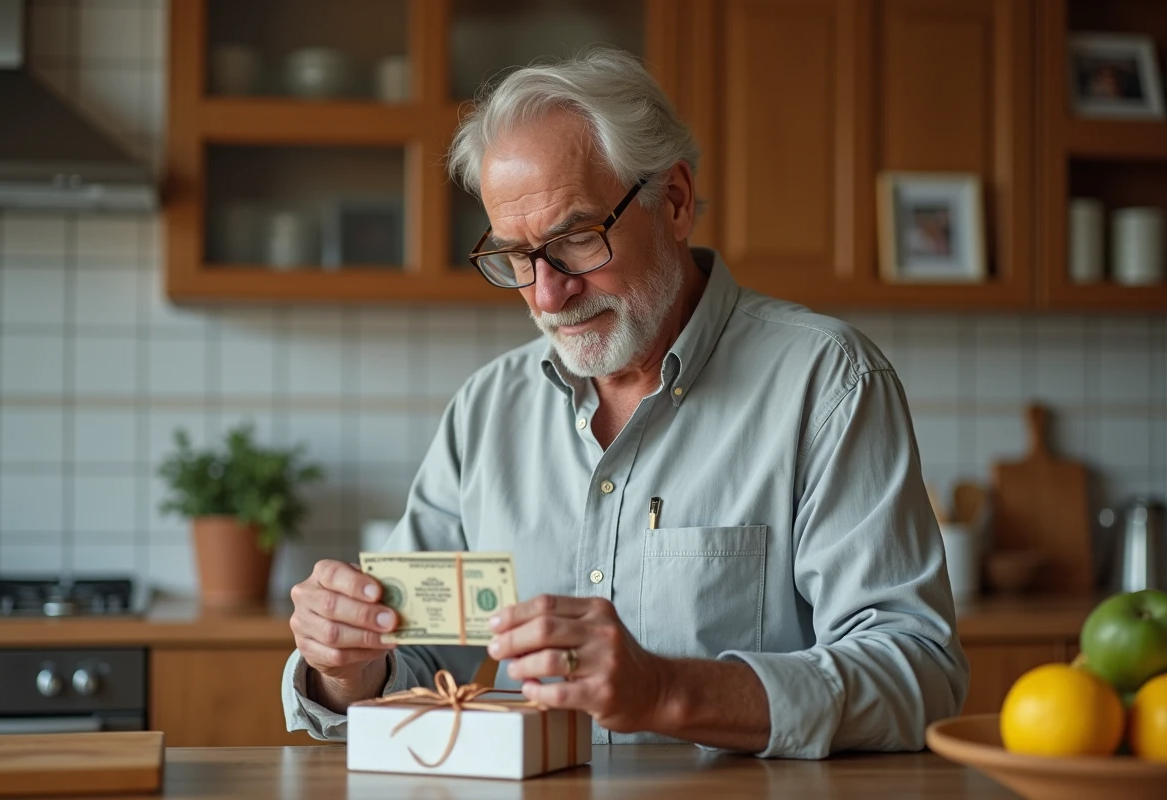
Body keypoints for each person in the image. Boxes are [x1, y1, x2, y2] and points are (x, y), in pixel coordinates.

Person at [282, 47, 968, 759]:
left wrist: (667, 692)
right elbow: (415, 663)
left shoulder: (828, 383)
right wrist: (350, 668)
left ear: (672, 201)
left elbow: (916, 672)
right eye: (517, 257)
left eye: (577, 239)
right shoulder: (488, 410)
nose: (547, 295)